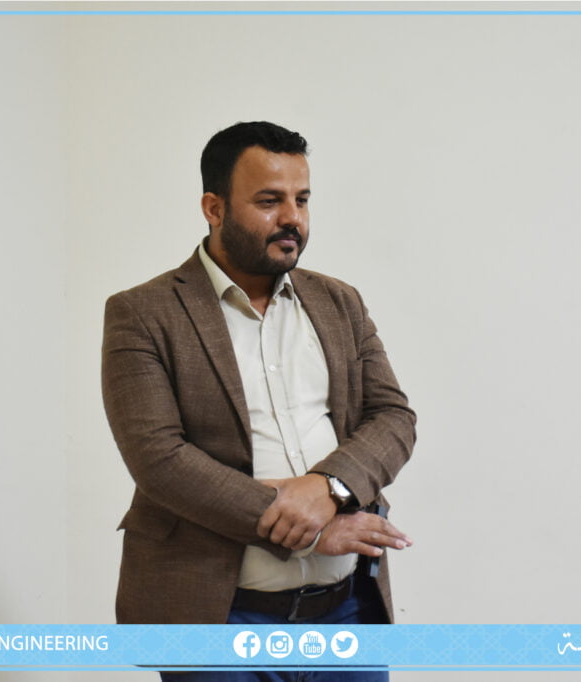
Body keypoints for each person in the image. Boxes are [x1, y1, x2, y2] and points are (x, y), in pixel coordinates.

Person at [101, 121, 416, 680]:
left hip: (347, 613)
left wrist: (330, 488)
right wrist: (311, 531)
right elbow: (159, 460)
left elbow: (392, 416)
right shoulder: (143, 313)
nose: (292, 218)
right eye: (269, 201)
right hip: (216, 621)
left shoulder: (339, 302)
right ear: (214, 208)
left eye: (302, 199)